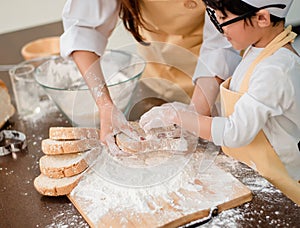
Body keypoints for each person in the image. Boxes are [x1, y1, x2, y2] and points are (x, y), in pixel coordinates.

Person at [139, 0, 300, 204]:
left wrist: (179, 116)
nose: (219, 29)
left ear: (261, 18)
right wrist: (191, 113)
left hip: (282, 187)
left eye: (223, 18)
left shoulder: (276, 70)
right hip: (257, 174)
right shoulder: (258, 49)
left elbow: (235, 133)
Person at [60, 0, 241, 146]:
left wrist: (196, 111)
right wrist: (104, 104)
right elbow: (82, 27)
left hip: (217, 79)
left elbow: (221, 45)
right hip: (157, 70)